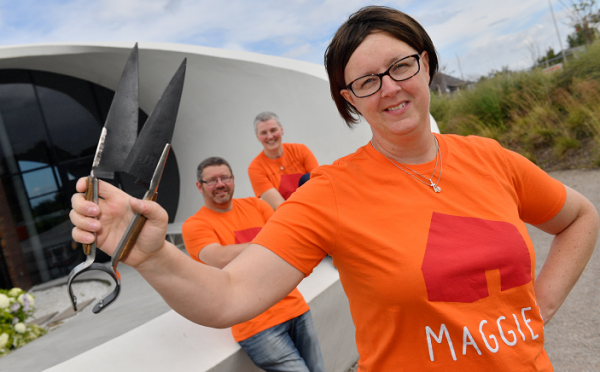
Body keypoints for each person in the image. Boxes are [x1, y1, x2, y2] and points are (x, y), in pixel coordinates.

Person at [70, 6, 599, 371]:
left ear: (427, 63)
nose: (390, 87)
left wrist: (541, 307)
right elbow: (229, 296)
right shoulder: (331, 192)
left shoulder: (490, 157)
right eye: (367, 81)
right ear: (349, 100)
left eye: (401, 65)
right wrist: (154, 256)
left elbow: (580, 217)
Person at [182, 156, 324, 372]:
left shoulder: (257, 206)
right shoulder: (195, 225)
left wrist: (270, 244)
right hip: (256, 325)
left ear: (233, 180)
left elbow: (287, 240)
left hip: (295, 308)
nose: (220, 184)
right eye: (212, 180)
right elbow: (219, 258)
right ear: (199, 186)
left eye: (225, 178)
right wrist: (269, 244)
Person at [248, 112, 318, 210]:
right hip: (289, 214)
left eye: (273, 130)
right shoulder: (256, 168)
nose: (270, 136)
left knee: (307, 178)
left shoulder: (300, 150)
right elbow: (280, 206)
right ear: (257, 137)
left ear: (281, 130)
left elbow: (318, 183)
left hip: (314, 203)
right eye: (263, 133)